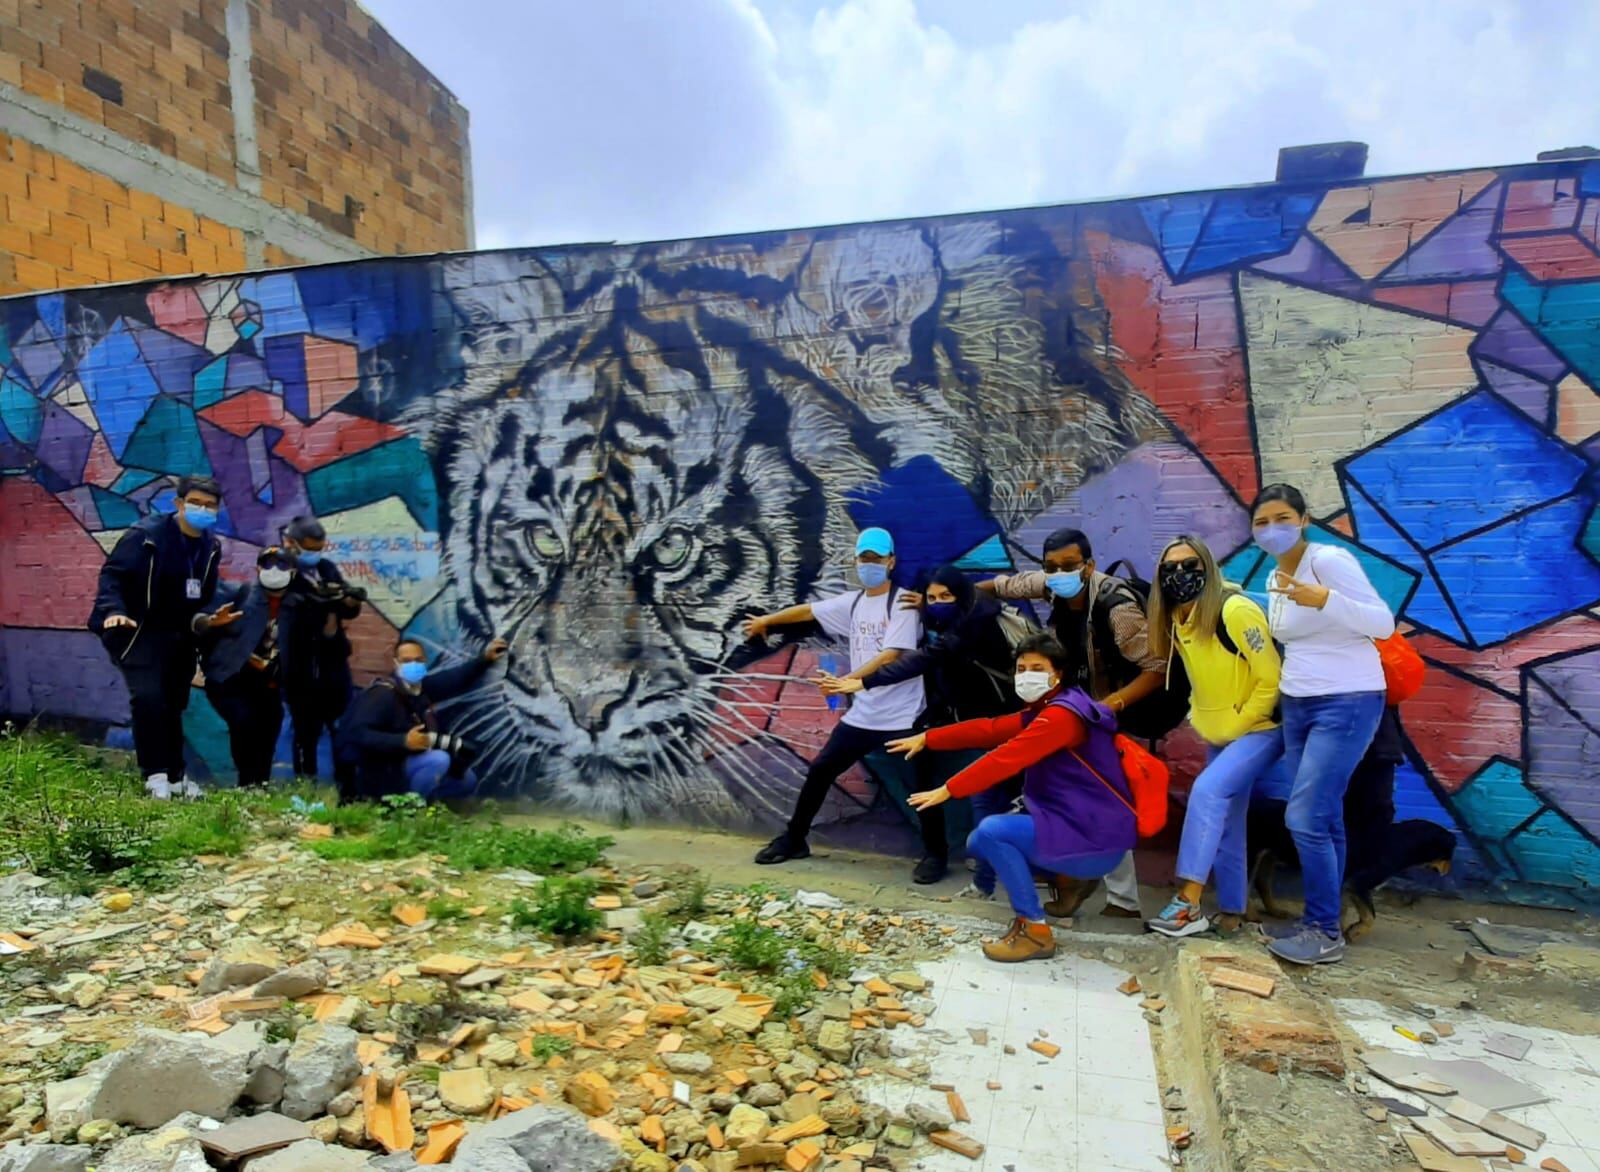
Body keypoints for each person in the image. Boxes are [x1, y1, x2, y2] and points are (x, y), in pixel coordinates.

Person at [893, 633, 1137, 963]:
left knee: (993, 832)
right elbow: (991, 729)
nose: (1026, 675)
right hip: (1088, 832)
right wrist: (928, 737)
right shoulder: (1056, 706)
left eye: (1037, 667)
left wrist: (948, 789)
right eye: (1021, 668)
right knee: (981, 840)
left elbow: (1007, 756)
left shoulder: (1060, 717)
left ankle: (1036, 932)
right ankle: (1067, 881)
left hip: (1092, 841)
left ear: (1057, 673)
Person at [981, 527, 1171, 919]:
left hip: (1109, 712)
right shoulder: (1053, 583)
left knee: (1106, 802)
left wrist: (1109, 707)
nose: (1058, 573)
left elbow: (1155, 667)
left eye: (1068, 566)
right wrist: (962, 591)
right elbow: (1007, 585)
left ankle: (1113, 897)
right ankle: (1086, 889)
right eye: (1051, 567)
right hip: (1075, 710)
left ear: (1089, 566)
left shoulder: (1118, 609)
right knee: (1075, 798)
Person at [743, 528, 948, 883]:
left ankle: (936, 855)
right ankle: (794, 839)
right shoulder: (852, 603)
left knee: (921, 787)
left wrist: (851, 679)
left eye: (876, 558)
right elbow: (808, 611)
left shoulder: (903, 603)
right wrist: (766, 621)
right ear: (856, 561)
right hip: (863, 716)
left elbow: (891, 655)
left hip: (904, 717)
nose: (869, 564)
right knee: (821, 770)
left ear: (891, 562)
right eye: (864, 558)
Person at [1253, 483, 1394, 965]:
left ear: (1303, 519)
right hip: (1299, 702)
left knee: (1305, 815)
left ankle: (1321, 928)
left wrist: (1326, 599)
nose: (1272, 529)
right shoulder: (1275, 578)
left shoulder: (1328, 561)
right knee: (1325, 815)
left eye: (1281, 518)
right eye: (1262, 522)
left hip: (1348, 700)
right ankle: (1322, 919)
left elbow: (1383, 623)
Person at [821, 565, 1022, 900]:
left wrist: (864, 680)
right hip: (951, 713)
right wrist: (926, 607)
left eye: (947, 596)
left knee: (999, 790)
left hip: (995, 716)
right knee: (929, 770)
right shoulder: (942, 615)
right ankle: (939, 855)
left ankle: (1004, 864)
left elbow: (926, 658)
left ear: (962, 595)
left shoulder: (974, 620)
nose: (939, 602)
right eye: (932, 597)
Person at [1141, 536, 1284, 938]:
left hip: (1262, 730)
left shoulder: (1235, 610)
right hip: (1220, 734)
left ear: (1208, 567)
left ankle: (1187, 904)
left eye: (1190, 565)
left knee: (1206, 793)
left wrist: (1242, 719)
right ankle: (1233, 910)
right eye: (1170, 568)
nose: (1180, 575)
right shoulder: (1176, 618)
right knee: (1227, 821)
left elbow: (1270, 676)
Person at [89, 475, 236, 800]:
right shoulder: (146, 537)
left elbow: (206, 594)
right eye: (195, 503)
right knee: (149, 699)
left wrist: (209, 619)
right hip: (138, 631)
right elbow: (112, 575)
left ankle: (175, 775)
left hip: (179, 637)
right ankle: (154, 774)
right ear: (179, 504)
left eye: (210, 506)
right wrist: (114, 609)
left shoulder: (210, 547)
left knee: (173, 704)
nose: (202, 510)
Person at [335, 637, 508, 802]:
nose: (413, 665)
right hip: (383, 768)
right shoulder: (382, 695)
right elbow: (357, 733)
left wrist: (484, 659)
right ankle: (406, 807)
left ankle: (424, 801)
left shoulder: (420, 689)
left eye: (418, 660)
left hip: (408, 761)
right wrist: (402, 741)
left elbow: (454, 679)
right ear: (395, 663)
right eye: (407, 661)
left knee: (466, 780)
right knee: (438, 760)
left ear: (425, 661)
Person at [198, 547, 296, 788]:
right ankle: (247, 784)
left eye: (282, 566)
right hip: (230, 679)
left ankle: (258, 786)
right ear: (257, 569)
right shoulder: (239, 595)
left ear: (293, 572)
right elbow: (200, 620)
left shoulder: (299, 606)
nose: (274, 571)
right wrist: (211, 623)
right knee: (244, 723)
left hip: (268, 684)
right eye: (267, 565)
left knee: (270, 726)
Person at [278, 515, 364, 788]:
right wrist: (319, 603)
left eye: (319, 548)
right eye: (309, 548)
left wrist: (347, 599)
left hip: (334, 663)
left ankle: (348, 791)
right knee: (306, 734)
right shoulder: (279, 571)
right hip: (301, 669)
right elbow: (289, 613)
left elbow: (347, 609)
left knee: (344, 728)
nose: (315, 555)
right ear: (290, 543)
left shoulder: (326, 568)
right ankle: (307, 789)